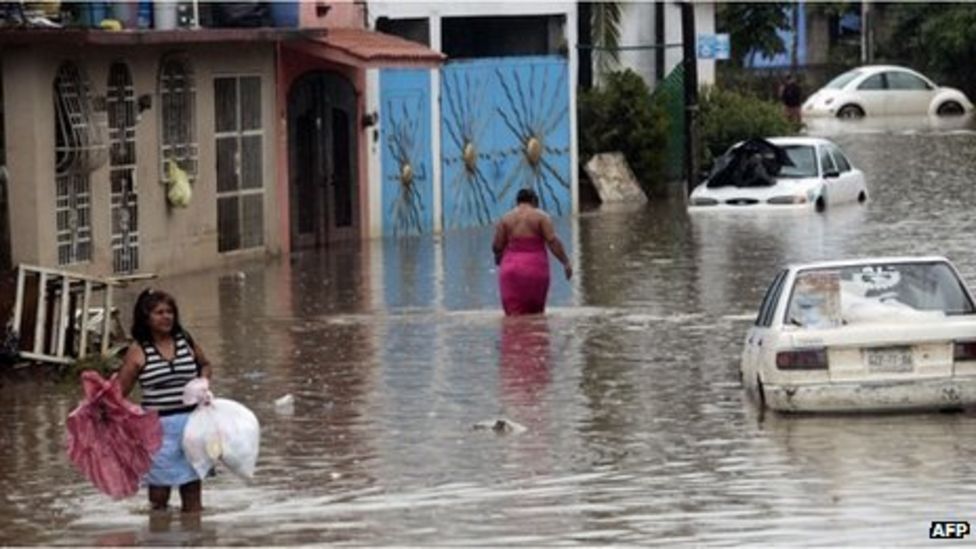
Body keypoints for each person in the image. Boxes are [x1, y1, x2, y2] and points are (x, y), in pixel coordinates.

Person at [117, 289, 213, 513]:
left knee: (192, 492)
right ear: (146, 317)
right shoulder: (139, 351)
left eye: (170, 312)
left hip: (193, 426)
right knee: (159, 496)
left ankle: (193, 538)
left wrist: (203, 381)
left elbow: (205, 364)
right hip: (157, 431)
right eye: (159, 312)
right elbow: (119, 392)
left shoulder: (185, 340)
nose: (166, 317)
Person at [492, 188, 572, 316]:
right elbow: (552, 242)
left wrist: (498, 257)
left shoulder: (506, 219)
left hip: (510, 270)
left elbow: (497, 246)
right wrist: (566, 262)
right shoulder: (541, 217)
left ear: (517, 202)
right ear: (534, 201)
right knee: (536, 314)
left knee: (512, 316)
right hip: (535, 268)